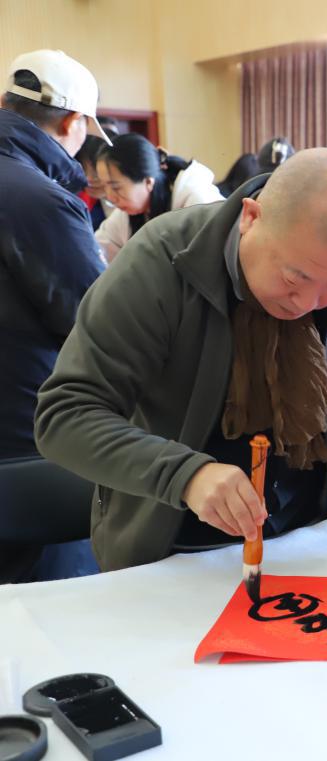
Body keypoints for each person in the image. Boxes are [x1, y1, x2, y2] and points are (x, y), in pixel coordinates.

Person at [35, 148, 327, 583]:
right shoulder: (162, 259)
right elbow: (66, 415)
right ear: (251, 217)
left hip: (313, 540)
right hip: (171, 545)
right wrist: (185, 474)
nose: (307, 304)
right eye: (294, 278)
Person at [0, 49, 110, 581]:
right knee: (52, 602)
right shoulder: (41, 200)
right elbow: (96, 322)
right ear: (73, 123)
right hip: (27, 439)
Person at [94, 132, 224, 261]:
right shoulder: (126, 214)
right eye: (104, 186)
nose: (110, 197)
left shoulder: (198, 201)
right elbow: (98, 251)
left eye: (116, 187)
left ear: (148, 182)